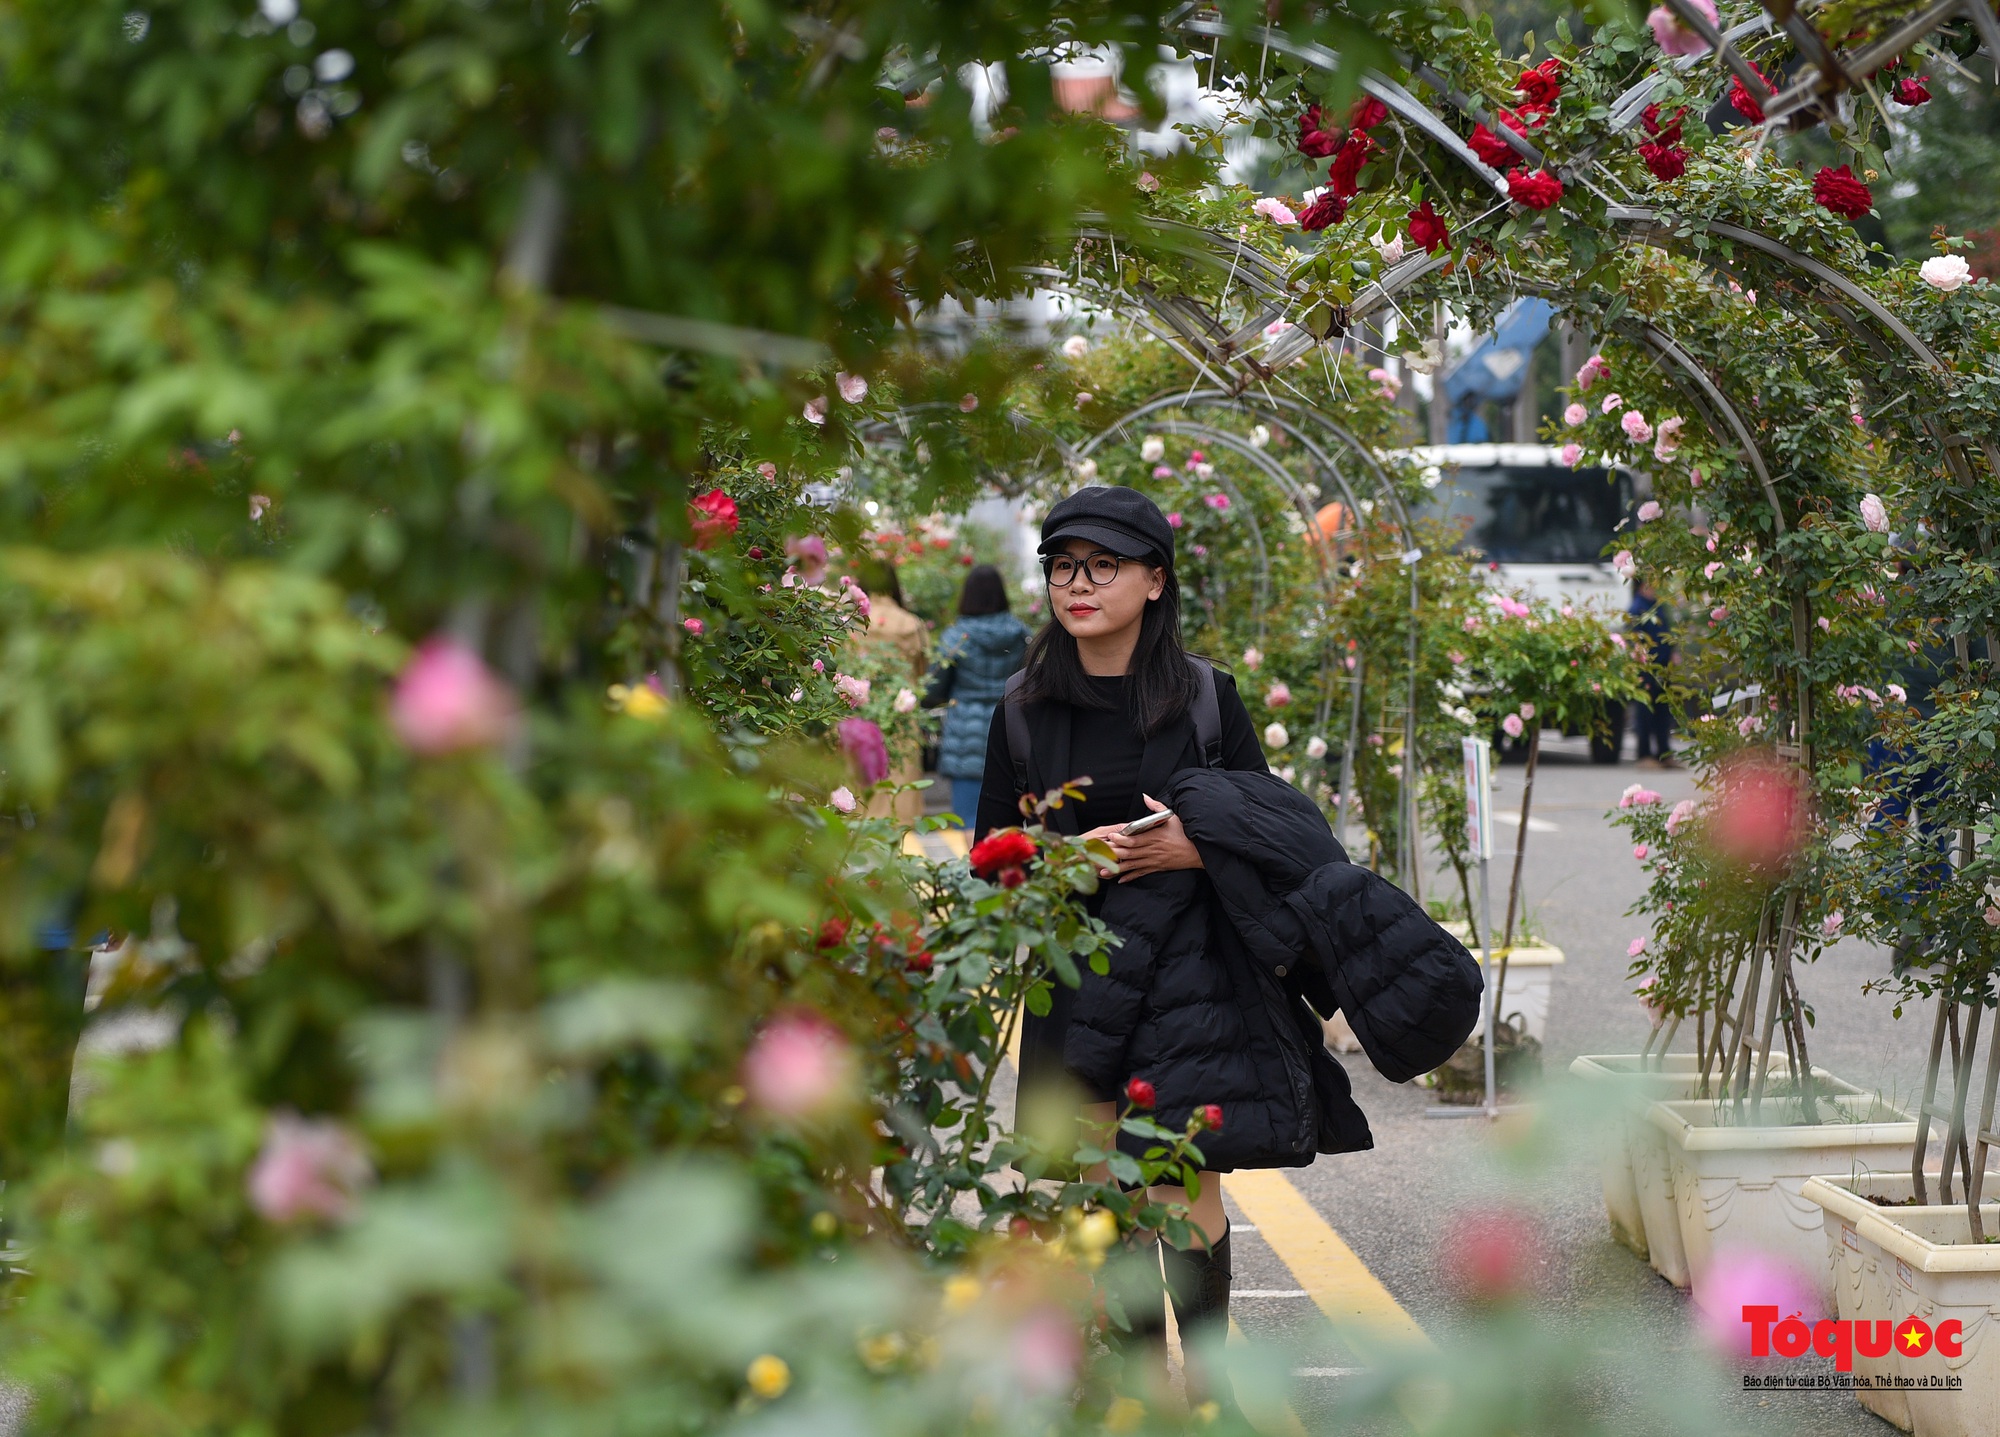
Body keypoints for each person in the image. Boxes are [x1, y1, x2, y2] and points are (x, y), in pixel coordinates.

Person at [972, 486, 1282, 1402]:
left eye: (1103, 564)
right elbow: (991, 859)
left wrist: (1194, 843)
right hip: (1077, 976)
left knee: (1183, 1190)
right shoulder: (1023, 709)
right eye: (1064, 565)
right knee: (1100, 1192)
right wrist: (1067, 856)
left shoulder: (1205, 698)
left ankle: (1214, 1387)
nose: (1079, 583)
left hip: (1191, 977)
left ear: (1154, 580)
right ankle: (1148, 1387)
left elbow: (1271, 827)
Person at [923, 564, 1030, 825]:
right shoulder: (1022, 635)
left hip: (965, 737)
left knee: (968, 823)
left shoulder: (955, 637)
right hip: (1012, 731)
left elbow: (932, 689)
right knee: (1012, 825)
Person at [848, 559, 928, 823]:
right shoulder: (911, 624)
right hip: (900, 718)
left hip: (858, 717)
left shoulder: (850, 622)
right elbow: (921, 673)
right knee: (899, 797)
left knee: (859, 796)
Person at [1627, 574, 1678, 768]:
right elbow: (1633, 637)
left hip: (1663, 666)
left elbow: (1667, 633)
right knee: (1645, 712)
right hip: (1645, 667)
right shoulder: (1637, 608)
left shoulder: (1657, 606)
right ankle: (1644, 754)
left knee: (1663, 710)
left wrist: (1673, 652)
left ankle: (1664, 753)